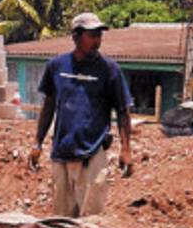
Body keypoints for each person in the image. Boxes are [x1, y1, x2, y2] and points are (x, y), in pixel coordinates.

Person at [28, 12, 133, 217]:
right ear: (76, 37)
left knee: (90, 222)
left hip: (92, 154)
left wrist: (126, 149)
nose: (97, 41)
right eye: (91, 35)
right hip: (62, 152)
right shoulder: (57, 66)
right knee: (61, 220)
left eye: (99, 35)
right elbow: (49, 106)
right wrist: (37, 143)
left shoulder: (109, 70)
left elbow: (123, 110)